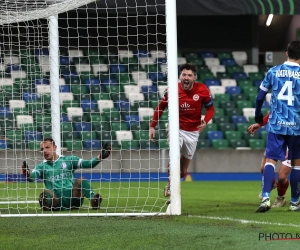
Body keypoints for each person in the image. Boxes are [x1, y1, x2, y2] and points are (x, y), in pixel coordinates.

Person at [149, 63, 215, 197]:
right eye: (184, 74)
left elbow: (210, 109)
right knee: (175, 155)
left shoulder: (203, 90)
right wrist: (152, 125)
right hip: (176, 128)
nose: (186, 77)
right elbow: (161, 107)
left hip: (193, 132)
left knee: (183, 171)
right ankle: (170, 187)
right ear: (180, 76)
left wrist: (205, 122)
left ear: (194, 78)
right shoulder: (172, 90)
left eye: (189, 75)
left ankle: (173, 184)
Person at [254, 40, 300, 213]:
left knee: (270, 161)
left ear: (286, 53)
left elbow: (259, 98)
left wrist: (258, 116)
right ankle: (294, 203)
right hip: (297, 126)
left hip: (276, 125)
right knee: (296, 164)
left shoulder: (273, 71)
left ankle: (265, 198)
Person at [21, 138, 111, 211]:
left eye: (47, 147)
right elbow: (32, 177)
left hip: (74, 198)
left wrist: (100, 157)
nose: (44, 151)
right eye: (42, 149)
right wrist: (28, 174)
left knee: (80, 180)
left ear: (55, 147)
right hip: (56, 201)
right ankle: (47, 205)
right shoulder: (41, 167)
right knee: (44, 194)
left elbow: (88, 164)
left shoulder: (69, 160)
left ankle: (93, 200)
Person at [247, 111, 291, 208]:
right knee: (264, 168)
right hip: (276, 139)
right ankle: (271, 184)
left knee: (282, 176)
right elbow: (272, 113)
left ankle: (281, 197)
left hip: (292, 142)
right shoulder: (280, 102)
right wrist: (259, 124)